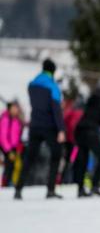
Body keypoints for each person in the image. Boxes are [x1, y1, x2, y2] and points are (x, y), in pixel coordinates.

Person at [14, 59, 66, 200]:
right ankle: (50, 190)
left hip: (35, 125)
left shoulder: (32, 84)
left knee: (29, 158)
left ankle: (18, 189)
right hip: (49, 127)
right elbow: (56, 110)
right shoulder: (53, 86)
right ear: (53, 71)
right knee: (56, 155)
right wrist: (61, 129)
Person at [74, 78, 100, 198]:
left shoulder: (92, 98)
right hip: (91, 131)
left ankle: (80, 188)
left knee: (83, 159)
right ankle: (94, 185)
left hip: (79, 130)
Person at [0, 101, 24, 187]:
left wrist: (18, 146)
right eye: (14, 108)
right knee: (9, 165)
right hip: (7, 147)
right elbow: (2, 136)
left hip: (15, 147)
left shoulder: (17, 120)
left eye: (17, 108)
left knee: (15, 165)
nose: (16, 110)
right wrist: (8, 150)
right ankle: (6, 183)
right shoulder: (5, 119)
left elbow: (17, 135)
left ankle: (11, 182)